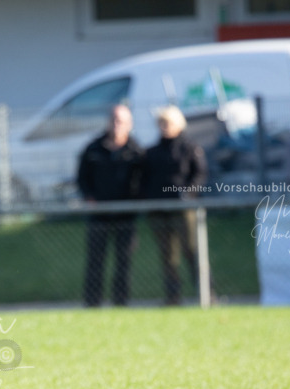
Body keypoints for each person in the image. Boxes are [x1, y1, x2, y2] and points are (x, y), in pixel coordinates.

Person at [140, 105, 208, 305]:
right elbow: (144, 179)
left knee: (192, 251)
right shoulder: (151, 152)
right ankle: (173, 297)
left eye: (167, 123)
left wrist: (188, 194)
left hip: (183, 209)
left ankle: (206, 294)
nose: (164, 127)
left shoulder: (190, 148)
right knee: (168, 256)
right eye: (161, 123)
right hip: (159, 210)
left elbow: (200, 174)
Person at [77, 104, 143, 307]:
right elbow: (82, 177)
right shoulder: (93, 148)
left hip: (126, 214)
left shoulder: (136, 151)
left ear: (129, 124)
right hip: (100, 213)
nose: (117, 124)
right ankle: (92, 303)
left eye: (121, 121)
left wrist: (135, 202)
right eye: (114, 119)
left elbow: (143, 180)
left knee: (124, 260)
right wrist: (89, 197)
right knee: (96, 260)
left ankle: (121, 302)